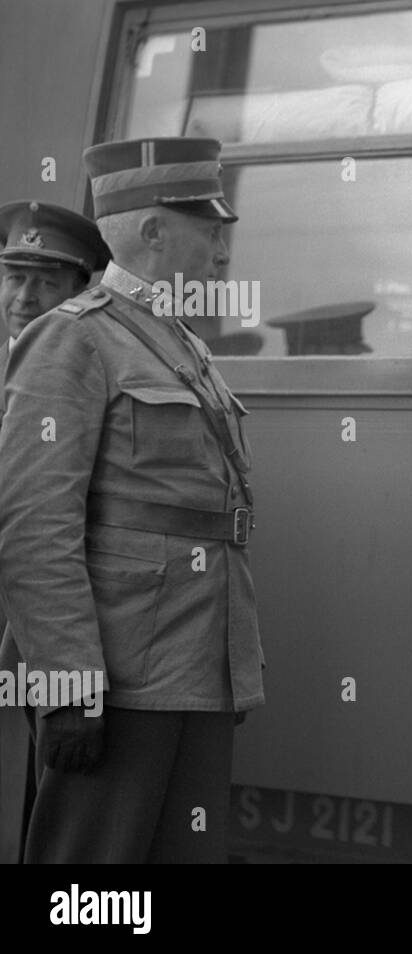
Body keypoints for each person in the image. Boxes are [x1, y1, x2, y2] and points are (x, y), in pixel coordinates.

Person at [0, 137, 263, 863]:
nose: (220, 250)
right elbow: (33, 526)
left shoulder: (180, 344)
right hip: (117, 672)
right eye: (208, 229)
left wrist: (232, 663)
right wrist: (66, 682)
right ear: (153, 232)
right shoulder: (72, 340)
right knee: (93, 877)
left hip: (192, 660)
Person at [0, 200, 111, 865]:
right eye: (14, 275)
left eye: (46, 279)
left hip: (35, 637)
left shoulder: (80, 368)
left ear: (81, 288)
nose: (24, 294)